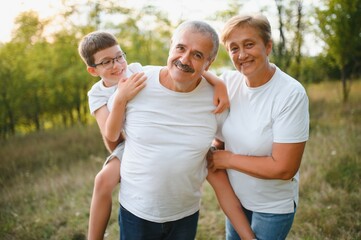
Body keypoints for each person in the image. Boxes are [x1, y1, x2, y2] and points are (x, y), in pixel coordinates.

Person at [78, 31, 242, 239]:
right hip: (124, 144)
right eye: (106, 62)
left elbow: (179, 68)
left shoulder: (135, 71)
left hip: (147, 139)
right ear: (93, 70)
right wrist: (120, 98)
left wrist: (217, 82)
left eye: (119, 56)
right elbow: (111, 135)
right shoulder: (97, 94)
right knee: (103, 180)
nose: (117, 65)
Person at [206, 14, 309, 240]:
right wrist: (216, 82)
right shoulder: (229, 82)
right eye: (234, 48)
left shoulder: (290, 93)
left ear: (268, 46)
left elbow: (284, 168)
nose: (242, 55)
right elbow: (192, 71)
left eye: (249, 44)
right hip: (236, 201)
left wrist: (228, 159)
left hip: (272, 207)